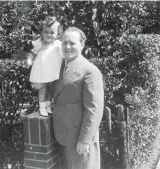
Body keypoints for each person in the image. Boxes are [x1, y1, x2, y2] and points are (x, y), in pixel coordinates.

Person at [53, 27, 104, 169]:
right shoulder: (59, 66)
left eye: (72, 43)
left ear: (82, 45)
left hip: (79, 141)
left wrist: (85, 140)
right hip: (62, 136)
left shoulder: (90, 71)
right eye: (64, 43)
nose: (67, 47)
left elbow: (94, 110)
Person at [26, 16, 63, 117]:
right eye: (46, 32)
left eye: (52, 32)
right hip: (42, 72)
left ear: (57, 34)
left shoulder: (58, 45)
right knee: (43, 89)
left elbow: (64, 56)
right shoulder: (39, 44)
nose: (49, 35)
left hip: (52, 72)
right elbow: (32, 53)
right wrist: (29, 60)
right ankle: (42, 107)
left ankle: (48, 105)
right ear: (42, 32)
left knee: (51, 89)